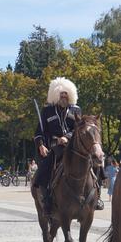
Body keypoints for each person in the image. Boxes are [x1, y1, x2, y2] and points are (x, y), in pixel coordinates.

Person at [34, 78, 84, 216]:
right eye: (61, 95)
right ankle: (47, 201)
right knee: (43, 171)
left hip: (73, 145)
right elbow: (39, 132)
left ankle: (95, 196)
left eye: (66, 95)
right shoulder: (47, 111)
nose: (63, 97)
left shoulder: (76, 110)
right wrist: (41, 145)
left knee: (94, 160)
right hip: (55, 146)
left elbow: (79, 129)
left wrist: (66, 137)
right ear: (55, 96)